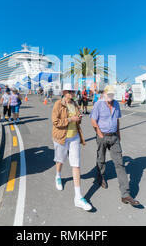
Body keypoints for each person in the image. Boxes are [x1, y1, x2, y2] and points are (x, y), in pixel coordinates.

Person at [90, 85, 141, 207]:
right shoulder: (98, 104)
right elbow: (93, 120)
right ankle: (100, 176)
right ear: (105, 94)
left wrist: (118, 133)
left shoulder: (116, 104)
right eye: (109, 94)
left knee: (120, 164)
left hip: (114, 137)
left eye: (112, 94)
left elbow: (117, 119)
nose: (111, 96)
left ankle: (125, 194)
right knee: (101, 160)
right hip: (102, 136)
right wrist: (99, 134)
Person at [52, 83, 92, 211]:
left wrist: (79, 118)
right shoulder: (58, 104)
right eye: (69, 91)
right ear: (64, 92)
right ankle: (58, 175)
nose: (71, 94)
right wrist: (70, 119)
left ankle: (78, 197)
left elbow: (77, 119)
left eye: (73, 91)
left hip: (74, 137)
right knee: (60, 160)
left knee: (76, 165)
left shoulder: (74, 104)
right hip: (61, 137)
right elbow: (55, 122)